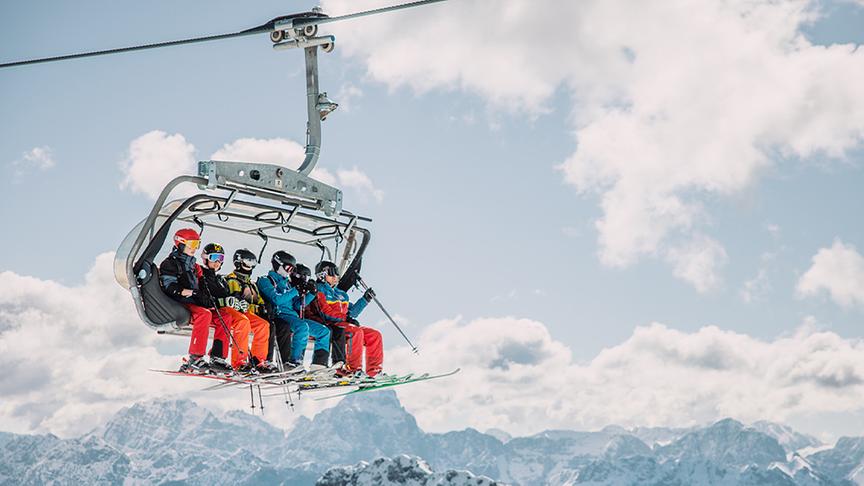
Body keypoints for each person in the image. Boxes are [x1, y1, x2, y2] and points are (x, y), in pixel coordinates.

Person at [158, 229, 233, 374]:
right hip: (179, 302)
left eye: (197, 244)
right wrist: (191, 292)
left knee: (225, 317)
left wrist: (206, 297)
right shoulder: (170, 264)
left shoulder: (194, 266)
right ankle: (195, 357)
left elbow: (202, 285)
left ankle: (218, 358)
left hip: (193, 302)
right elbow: (169, 286)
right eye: (191, 244)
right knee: (204, 314)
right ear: (180, 243)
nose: (194, 248)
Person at [306, 261, 383, 377]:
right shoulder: (319, 290)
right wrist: (345, 318)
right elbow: (324, 312)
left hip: (343, 323)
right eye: (332, 273)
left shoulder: (341, 294)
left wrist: (365, 299)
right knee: (356, 332)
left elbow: (352, 313)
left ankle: (374, 371)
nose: (335, 276)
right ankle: (353, 369)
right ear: (322, 275)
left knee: (374, 335)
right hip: (330, 324)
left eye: (336, 273)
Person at [257, 251, 331, 370]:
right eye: (288, 268)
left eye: (292, 269)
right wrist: (295, 290)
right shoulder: (267, 280)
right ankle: (295, 361)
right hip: (280, 315)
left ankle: (319, 365)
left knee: (324, 331)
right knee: (302, 327)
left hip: (293, 317)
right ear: (277, 264)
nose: (289, 272)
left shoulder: (287, 284)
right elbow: (276, 299)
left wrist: (311, 293)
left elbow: (297, 305)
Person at [223, 249, 274, 373]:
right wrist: (252, 307)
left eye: (253, 263)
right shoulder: (231, 280)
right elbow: (237, 303)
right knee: (243, 322)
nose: (250, 266)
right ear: (238, 262)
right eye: (247, 262)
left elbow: (258, 302)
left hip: (246, 313)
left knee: (264, 325)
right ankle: (239, 362)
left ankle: (258, 360)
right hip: (233, 313)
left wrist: (263, 307)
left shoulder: (251, 284)